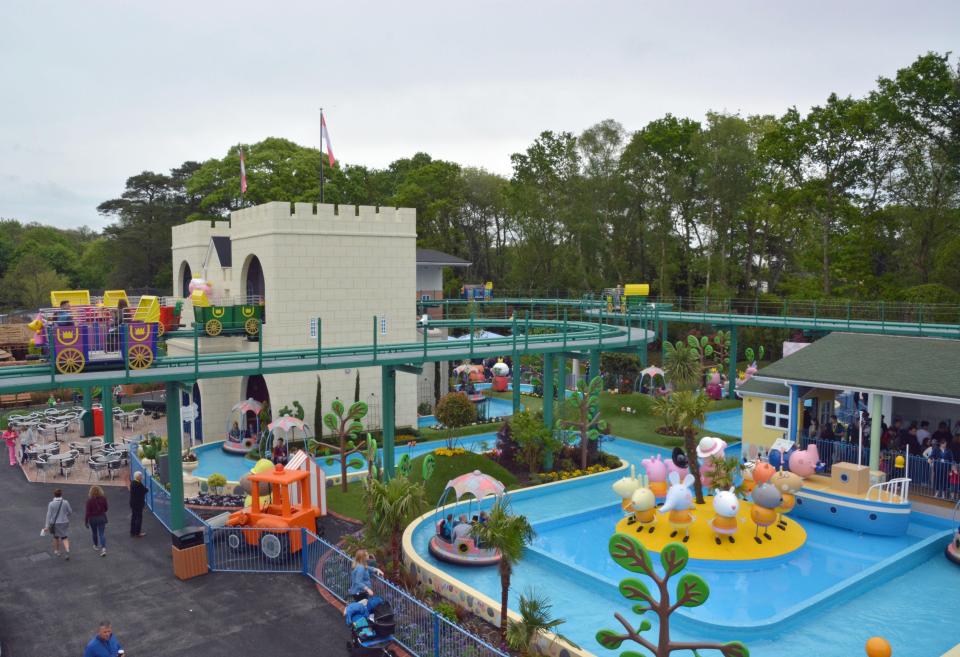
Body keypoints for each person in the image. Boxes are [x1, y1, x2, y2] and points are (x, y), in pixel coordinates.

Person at [44, 488, 72, 559]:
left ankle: (57, 550)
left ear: (54, 495)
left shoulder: (51, 504)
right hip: (64, 522)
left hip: (55, 523)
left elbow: (48, 515)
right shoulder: (65, 502)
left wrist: (46, 526)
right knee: (64, 537)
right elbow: (70, 512)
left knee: (56, 537)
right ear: (61, 494)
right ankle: (67, 550)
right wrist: (65, 515)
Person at [85, 485, 109, 556]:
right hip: (101, 517)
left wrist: (86, 521)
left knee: (94, 532)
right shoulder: (103, 498)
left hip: (93, 519)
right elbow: (106, 509)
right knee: (102, 533)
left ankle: (95, 545)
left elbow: (87, 512)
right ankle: (103, 548)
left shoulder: (89, 501)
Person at [129, 471, 147, 537]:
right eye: (141, 476)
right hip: (138, 504)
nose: (142, 477)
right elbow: (144, 490)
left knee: (133, 517)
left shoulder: (132, 483)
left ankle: (132, 532)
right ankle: (137, 532)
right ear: (138, 477)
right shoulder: (138, 484)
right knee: (139, 518)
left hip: (133, 503)